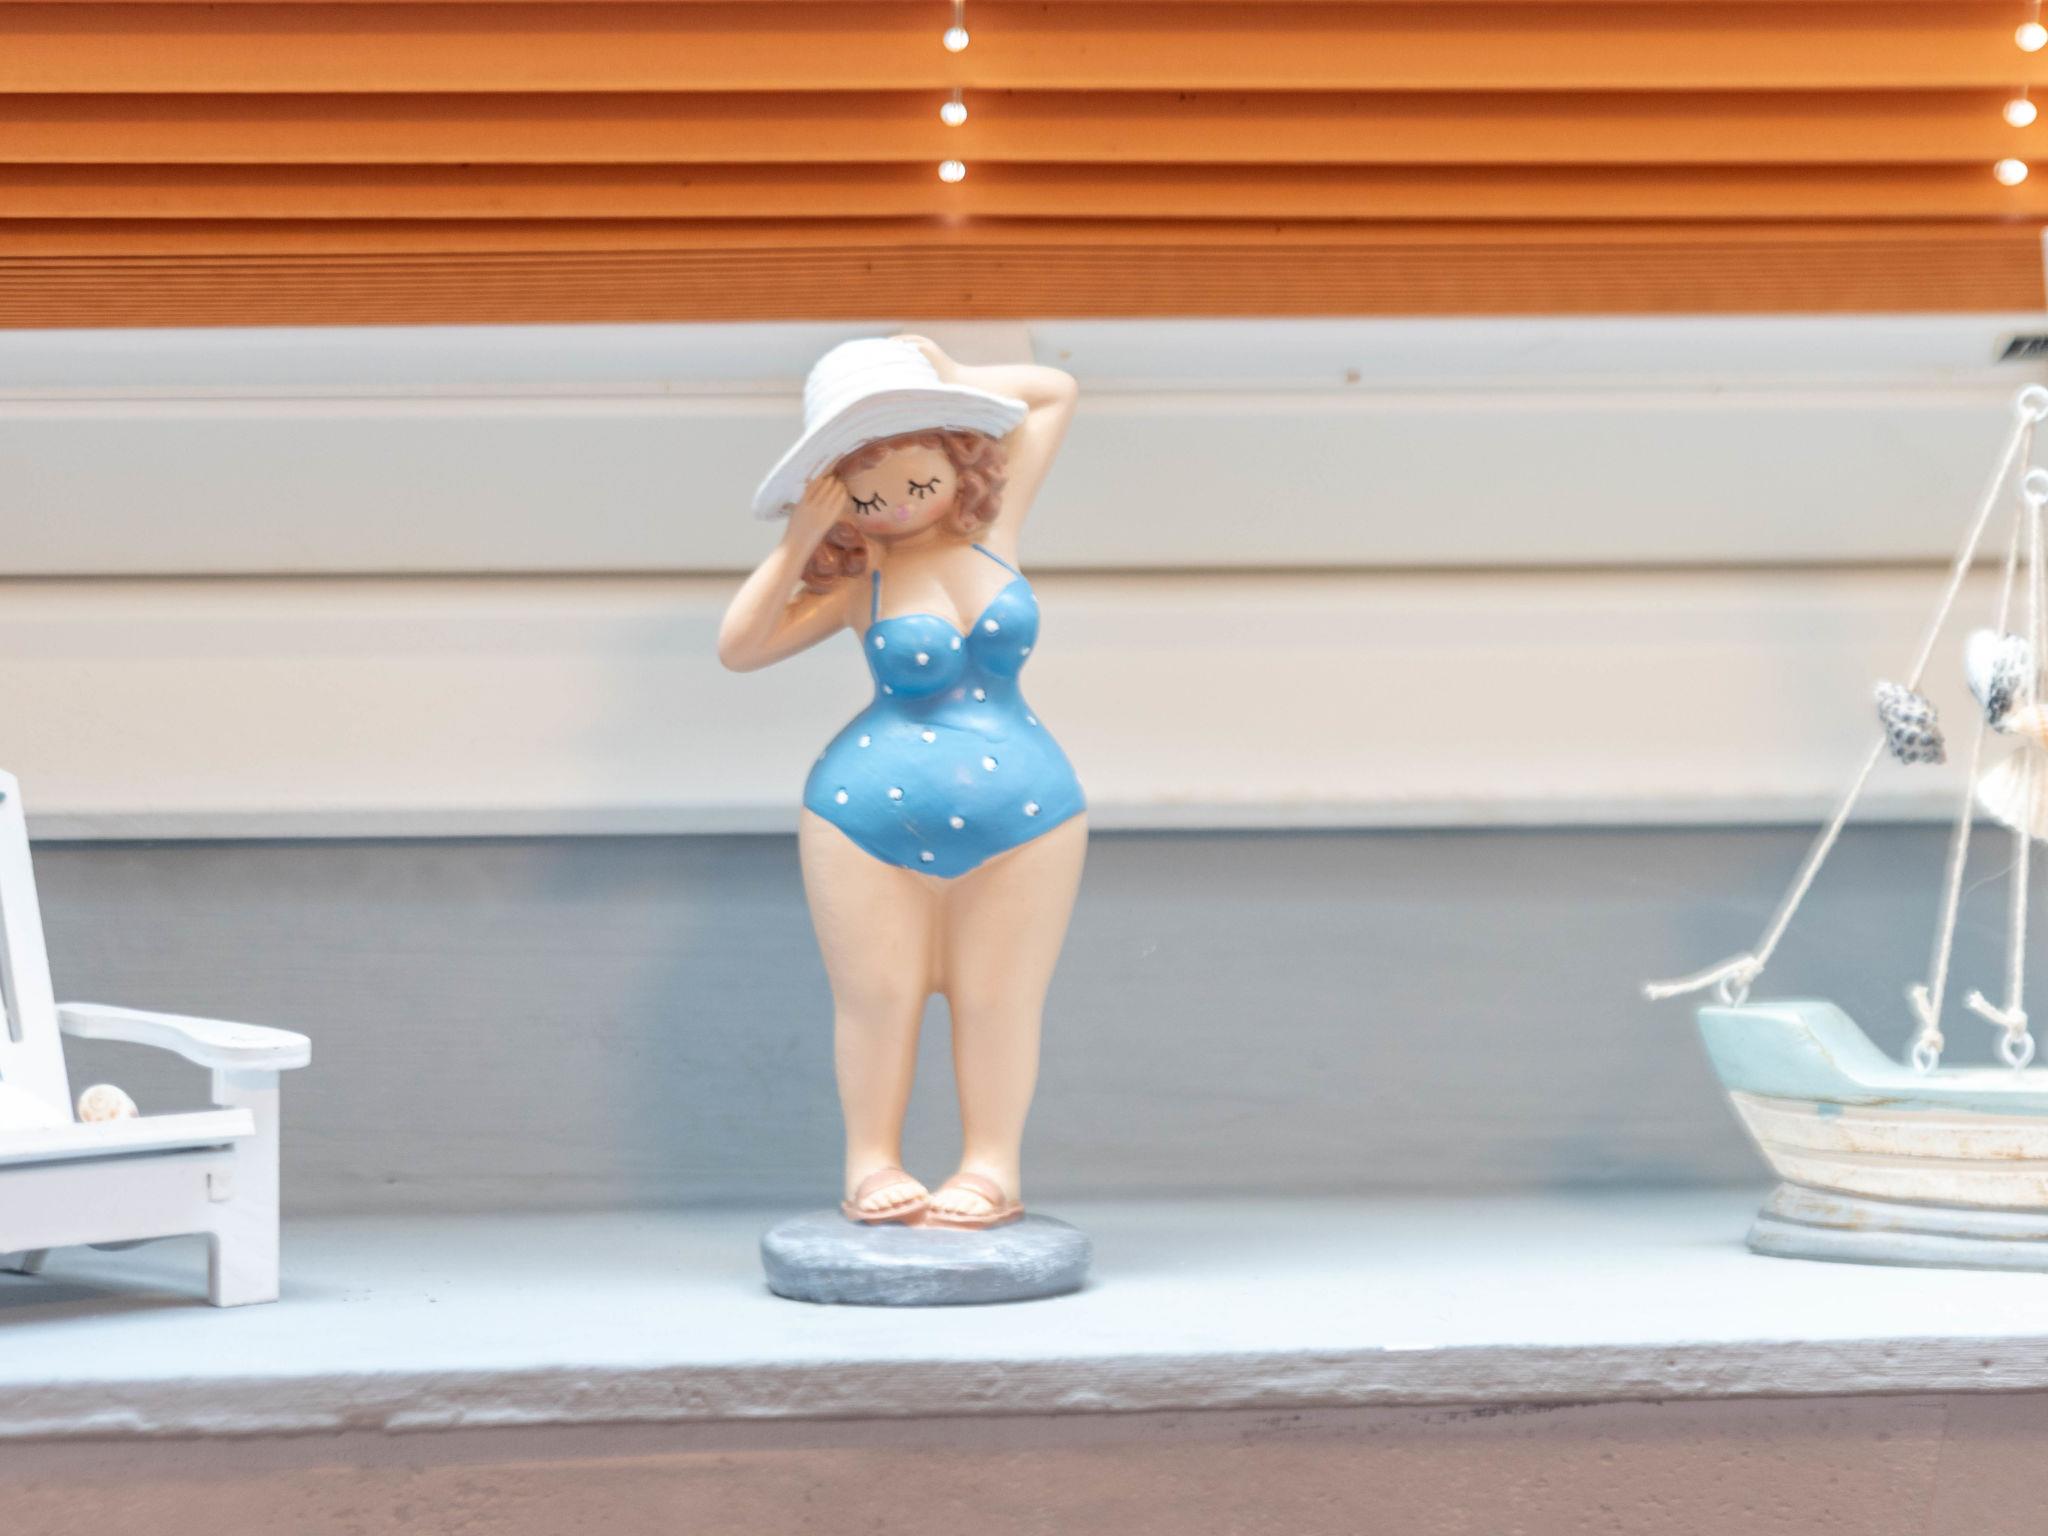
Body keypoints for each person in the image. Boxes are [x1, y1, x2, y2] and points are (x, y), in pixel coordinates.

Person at [719, 334, 1085, 1229]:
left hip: (1030, 815)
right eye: (868, 497)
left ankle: (991, 1166)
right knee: (877, 1002)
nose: (899, 504)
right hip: (863, 822)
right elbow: (740, 648)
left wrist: (950, 378)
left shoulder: (995, 533)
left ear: (960, 459)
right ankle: (870, 1162)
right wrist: (799, 541)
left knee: (1000, 1001)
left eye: (919, 480)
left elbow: (1054, 392)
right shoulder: (858, 581)